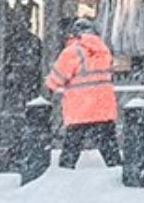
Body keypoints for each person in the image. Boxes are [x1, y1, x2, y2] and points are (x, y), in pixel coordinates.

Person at [45, 15, 121, 168]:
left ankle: (63, 176)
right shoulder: (104, 51)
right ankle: (117, 173)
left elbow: (57, 77)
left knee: (71, 149)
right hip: (103, 108)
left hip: (80, 109)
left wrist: (49, 88)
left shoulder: (72, 52)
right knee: (109, 148)